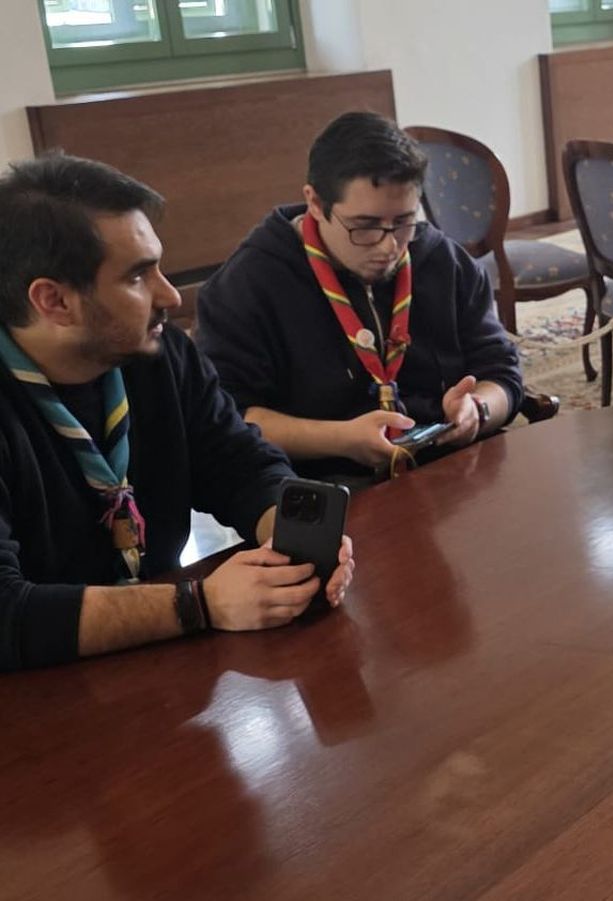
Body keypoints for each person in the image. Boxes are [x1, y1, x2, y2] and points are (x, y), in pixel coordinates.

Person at [0, 154, 355, 672]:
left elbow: (237, 463)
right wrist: (197, 604)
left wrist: (292, 540)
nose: (169, 295)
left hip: (158, 661)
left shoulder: (158, 352)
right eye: (138, 277)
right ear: (54, 301)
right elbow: (6, 615)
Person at [197, 112, 523, 483]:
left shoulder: (443, 262)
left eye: (403, 222)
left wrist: (478, 410)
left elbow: (501, 371)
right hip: (328, 483)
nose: (389, 247)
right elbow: (230, 417)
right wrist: (341, 439)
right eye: (364, 227)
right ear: (315, 202)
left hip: (449, 469)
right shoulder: (247, 285)